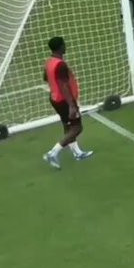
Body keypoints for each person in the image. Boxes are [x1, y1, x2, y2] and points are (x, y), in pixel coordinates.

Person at [42, 36, 93, 169]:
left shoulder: (49, 62)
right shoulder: (60, 64)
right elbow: (64, 85)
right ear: (60, 47)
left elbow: (46, 77)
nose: (65, 46)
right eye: (64, 44)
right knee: (77, 128)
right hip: (64, 101)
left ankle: (77, 153)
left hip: (54, 98)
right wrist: (72, 105)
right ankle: (53, 153)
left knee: (68, 126)